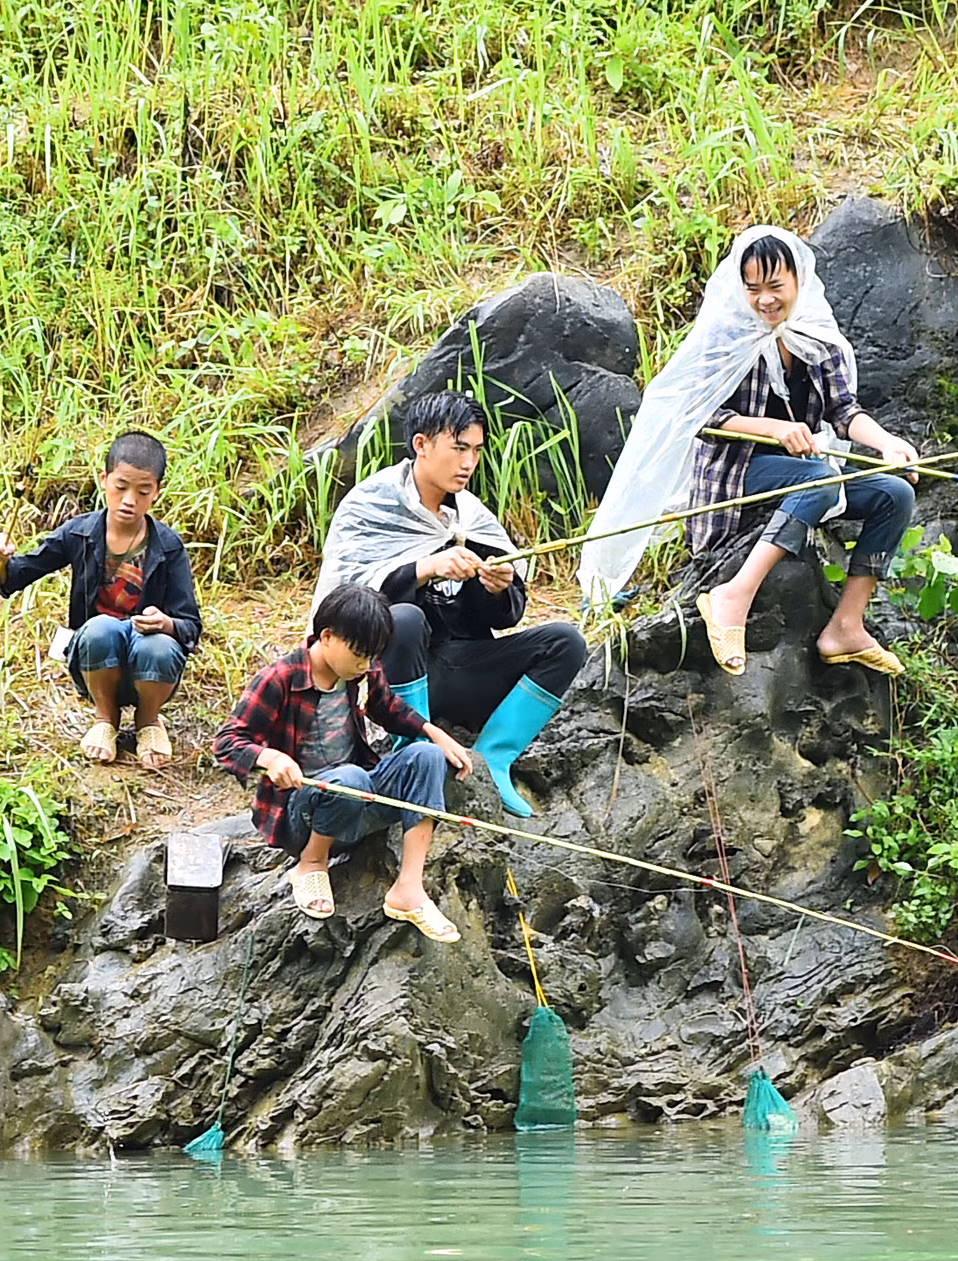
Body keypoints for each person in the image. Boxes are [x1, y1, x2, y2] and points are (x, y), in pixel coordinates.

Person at [575, 225, 918, 675]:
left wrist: (889, 444)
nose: (765, 300)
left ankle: (846, 626)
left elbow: (844, 411)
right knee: (819, 477)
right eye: (753, 289)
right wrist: (774, 428)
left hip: (806, 476)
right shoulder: (726, 339)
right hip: (734, 476)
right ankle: (732, 595)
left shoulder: (818, 342)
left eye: (776, 286)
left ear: (799, 281)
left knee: (895, 495)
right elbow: (700, 417)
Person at [312, 391, 587, 818]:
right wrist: (423, 568)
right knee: (403, 618)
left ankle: (493, 757)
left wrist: (496, 588)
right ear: (421, 444)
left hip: (467, 668)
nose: (468, 463)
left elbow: (505, 617)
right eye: (459, 448)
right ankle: (415, 752)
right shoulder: (371, 506)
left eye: (476, 450)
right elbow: (345, 609)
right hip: (399, 682)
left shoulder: (471, 517)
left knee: (566, 641)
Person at [212, 584, 473, 936]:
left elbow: (387, 708)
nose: (365, 665)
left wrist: (435, 734)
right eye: (359, 655)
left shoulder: (360, 671)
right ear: (328, 636)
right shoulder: (281, 679)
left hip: (359, 802)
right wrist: (269, 757)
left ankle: (408, 887)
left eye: (371, 657)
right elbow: (227, 742)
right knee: (350, 779)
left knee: (425, 757)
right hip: (303, 816)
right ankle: (312, 864)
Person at [0, 430, 201, 768]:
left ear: (156, 492)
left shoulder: (168, 546)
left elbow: (190, 625)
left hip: (149, 662)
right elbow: (15, 576)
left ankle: (148, 721)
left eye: (142, 491)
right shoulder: (79, 533)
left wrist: (166, 624)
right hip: (97, 658)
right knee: (100, 629)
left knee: (157, 644)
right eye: (121, 487)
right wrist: (1, 561)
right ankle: (106, 719)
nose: (129, 499)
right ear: (104, 480)